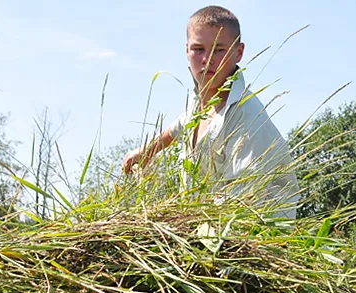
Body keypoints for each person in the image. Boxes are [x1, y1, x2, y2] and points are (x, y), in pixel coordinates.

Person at [122, 5, 299, 217]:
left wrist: (180, 220)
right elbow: (179, 126)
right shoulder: (199, 102)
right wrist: (146, 151)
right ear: (186, 50)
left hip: (250, 231)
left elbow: (244, 198)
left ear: (239, 52)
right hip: (203, 226)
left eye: (219, 49)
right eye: (198, 49)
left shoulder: (247, 117)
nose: (207, 59)